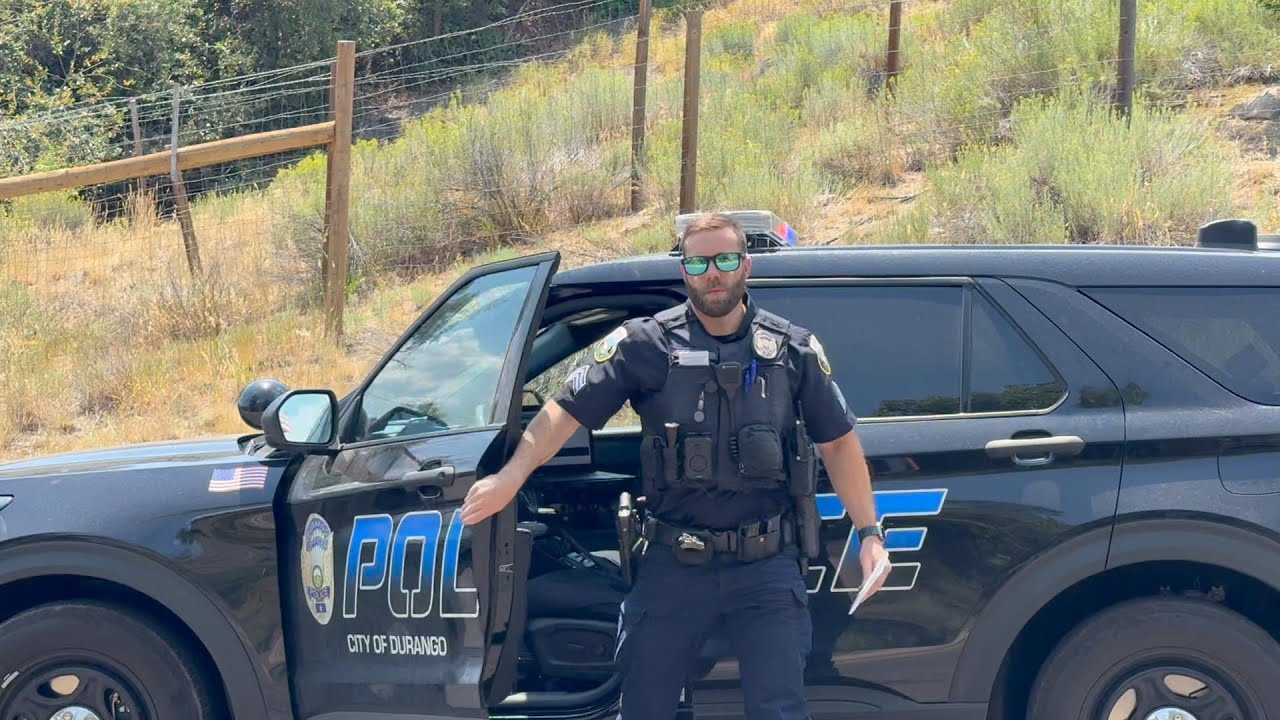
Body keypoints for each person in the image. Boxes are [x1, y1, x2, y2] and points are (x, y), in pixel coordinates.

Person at [461, 212, 888, 719]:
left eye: (725, 259)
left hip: (766, 567)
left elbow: (839, 443)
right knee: (644, 707)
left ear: (745, 266)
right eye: (699, 261)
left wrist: (870, 533)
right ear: (684, 270)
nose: (714, 272)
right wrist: (511, 477)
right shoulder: (647, 344)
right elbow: (564, 413)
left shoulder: (791, 349)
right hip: (673, 563)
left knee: (779, 710)